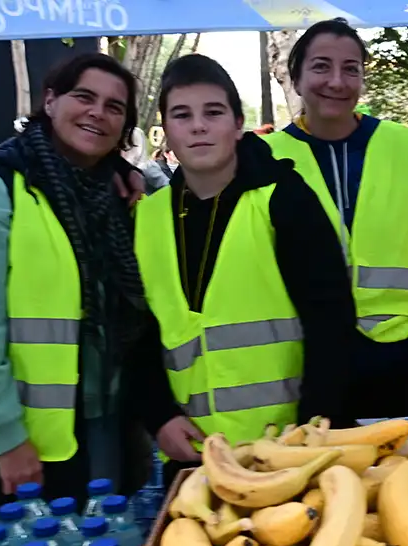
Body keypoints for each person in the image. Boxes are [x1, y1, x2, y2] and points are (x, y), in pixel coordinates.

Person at [0, 52, 153, 509]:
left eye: (115, 107)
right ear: (50, 101)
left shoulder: (115, 196)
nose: (98, 112)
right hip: (21, 449)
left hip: (108, 424)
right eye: (84, 97)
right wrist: (6, 438)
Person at [134, 54, 356, 490]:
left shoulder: (284, 200)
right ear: (167, 131)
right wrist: (159, 416)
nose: (198, 126)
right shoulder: (146, 218)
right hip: (193, 453)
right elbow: (137, 332)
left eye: (212, 113)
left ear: (238, 124)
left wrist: (313, 431)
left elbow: (331, 326)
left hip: (287, 449)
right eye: (183, 115)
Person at [263, 18, 408, 422]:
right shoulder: (263, 156)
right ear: (296, 79)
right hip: (310, 355)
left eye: (351, 69)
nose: (337, 81)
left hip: (399, 355)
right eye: (321, 66)